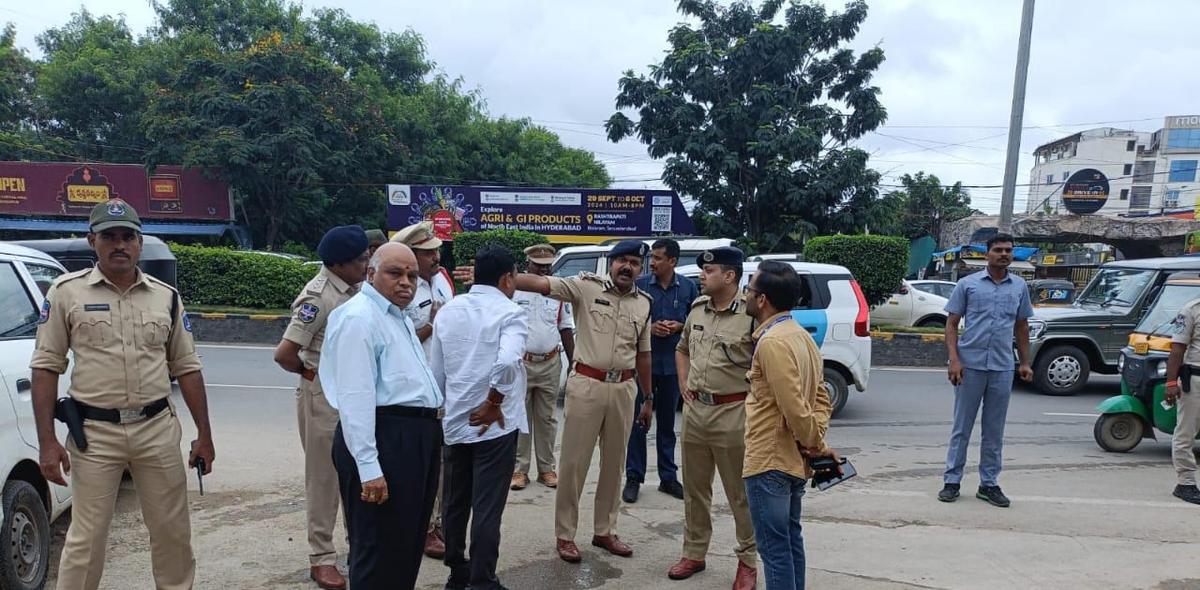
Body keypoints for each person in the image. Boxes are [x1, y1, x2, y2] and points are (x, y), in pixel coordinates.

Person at [30, 199, 215, 590]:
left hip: (157, 430)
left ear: (139, 242)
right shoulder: (66, 293)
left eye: (127, 236)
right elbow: (46, 367)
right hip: (95, 434)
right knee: (87, 538)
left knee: (172, 533)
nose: (119, 244)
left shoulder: (165, 296)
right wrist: (47, 441)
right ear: (91, 241)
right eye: (109, 236)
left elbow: (187, 366)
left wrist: (205, 435)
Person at [513, 240, 653, 563]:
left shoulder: (644, 303)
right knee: (574, 464)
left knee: (614, 465)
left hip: (624, 389)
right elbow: (541, 282)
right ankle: (565, 535)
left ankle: (605, 531)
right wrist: (496, 275)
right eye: (622, 261)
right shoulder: (584, 288)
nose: (627, 267)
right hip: (587, 385)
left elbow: (644, 355)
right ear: (611, 263)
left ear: (640, 269)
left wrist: (648, 397)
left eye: (634, 262)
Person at [320, 242, 444, 589]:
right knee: (377, 549)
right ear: (371, 273)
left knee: (405, 546)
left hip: (415, 439)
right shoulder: (359, 317)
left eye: (412, 275)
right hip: (386, 440)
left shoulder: (397, 317)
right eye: (395, 273)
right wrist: (369, 468)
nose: (406, 282)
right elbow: (355, 397)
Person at [273, 225, 369, 590]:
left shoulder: (356, 290)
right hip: (323, 398)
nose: (367, 263)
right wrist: (315, 375)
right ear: (340, 263)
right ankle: (321, 558)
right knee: (325, 479)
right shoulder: (319, 297)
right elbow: (283, 355)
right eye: (361, 259)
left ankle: (357, 546)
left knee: (357, 472)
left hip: (353, 396)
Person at [430, 245, 529, 590]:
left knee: (455, 503)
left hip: (456, 422)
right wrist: (493, 401)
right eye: (515, 276)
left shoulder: (449, 310)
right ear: (507, 278)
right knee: (487, 507)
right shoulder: (511, 312)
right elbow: (506, 362)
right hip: (494, 426)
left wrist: (444, 413)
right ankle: (482, 579)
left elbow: (436, 371)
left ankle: (457, 571)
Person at [742, 260, 836, 590]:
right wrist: (815, 439)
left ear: (763, 299)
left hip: (770, 461)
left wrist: (815, 442)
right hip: (792, 461)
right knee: (790, 539)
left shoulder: (773, 343)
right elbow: (821, 398)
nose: (746, 296)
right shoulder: (800, 335)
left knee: (775, 548)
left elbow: (794, 406)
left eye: (749, 289)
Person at [668, 246, 757, 589]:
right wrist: (682, 383)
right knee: (695, 489)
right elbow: (682, 349)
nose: (702, 276)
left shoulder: (751, 313)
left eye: (709, 271)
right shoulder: (698, 308)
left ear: (730, 275)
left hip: (734, 412)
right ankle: (694, 552)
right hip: (696, 413)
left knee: (740, 494)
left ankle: (748, 561)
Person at [938, 234, 1034, 508]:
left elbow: (1022, 327)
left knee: (994, 430)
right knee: (962, 428)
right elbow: (952, 324)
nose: (1004, 254)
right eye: (998, 250)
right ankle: (952, 481)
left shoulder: (1019, 287)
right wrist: (954, 359)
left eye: (1008, 250)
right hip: (970, 366)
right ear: (987, 254)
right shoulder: (967, 285)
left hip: (1002, 367)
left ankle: (988, 484)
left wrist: (1025, 362)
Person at [390, 220, 454, 557]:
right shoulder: (401, 289)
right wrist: (432, 323)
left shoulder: (442, 281)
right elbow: (398, 343)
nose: (436, 258)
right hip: (411, 391)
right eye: (428, 253)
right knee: (416, 463)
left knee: (442, 463)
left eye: (437, 251)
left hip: (442, 388)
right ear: (411, 256)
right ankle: (424, 528)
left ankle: (437, 524)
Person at [624, 238, 697, 503]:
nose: (651, 263)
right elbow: (628, 319)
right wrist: (650, 328)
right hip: (643, 366)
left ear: (673, 262)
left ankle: (668, 478)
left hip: (672, 368)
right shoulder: (640, 286)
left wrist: (679, 327)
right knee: (638, 423)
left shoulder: (688, 288)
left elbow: (696, 322)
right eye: (651, 258)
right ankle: (634, 476)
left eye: (657, 258)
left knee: (667, 424)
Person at [511, 243, 575, 491]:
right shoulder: (514, 290)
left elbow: (565, 327)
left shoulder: (557, 292)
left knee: (547, 419)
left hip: (550, 361)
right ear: (528, 264)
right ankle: (519, 470)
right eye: (538, 266)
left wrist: (573, 363)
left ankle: (547, 469)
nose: (543, 271)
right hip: (522, 363)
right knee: (521, 418)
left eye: (547, 266)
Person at [1162, 298, 1200, 504]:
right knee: (1186, 432)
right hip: (1195, 379)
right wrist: (1170, 382)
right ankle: (1185, 483)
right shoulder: (1190, 310)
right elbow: (1177, 349)